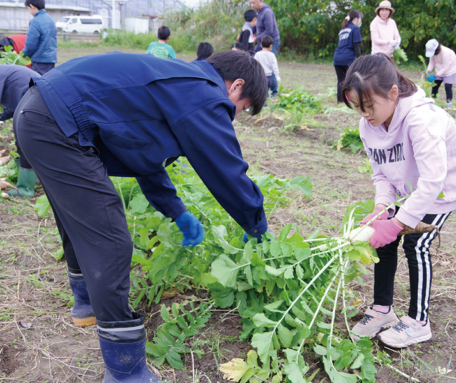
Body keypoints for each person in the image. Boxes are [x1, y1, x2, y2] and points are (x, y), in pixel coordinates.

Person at [13, 50, 268, 381]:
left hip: (37, 113)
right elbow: (225, 167)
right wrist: (256, 225)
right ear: (235, 86)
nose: (233, 114)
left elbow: (143, 155)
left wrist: (176, 211)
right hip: (54, 121)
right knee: (111, 239)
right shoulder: (203, 90)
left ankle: (86, 303)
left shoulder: (176, 83)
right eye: (242, 108)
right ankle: (126, 370)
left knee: (76, 217)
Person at [341, 54, 456, 348]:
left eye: (369, 106)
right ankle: (383, 311)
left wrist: (400, 222)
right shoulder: (369, 126)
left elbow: (432, 181)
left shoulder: (422, 119)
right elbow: (381, 174)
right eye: (359, 108)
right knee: (384, 239)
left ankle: (418, 321)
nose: (365, 114)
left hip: (441, 189)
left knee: (416, 244)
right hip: (409, 189)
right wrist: (382, 208)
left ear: (393, 93)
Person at [0, 65, 41, 198]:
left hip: (35, 100)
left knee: (25, 141)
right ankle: (33, 178)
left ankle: (25, 189)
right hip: (32, 97)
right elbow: (11, 106)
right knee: (25, 141)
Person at [333, 10, 362, 104]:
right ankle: (353, 99)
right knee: (353, 79)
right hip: (347, 58)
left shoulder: (343, 29)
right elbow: (356, 46)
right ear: (356, 19)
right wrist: (360, 59)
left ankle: (340, 101)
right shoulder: (355, 29)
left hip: (337, 57)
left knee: (341, 80)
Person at [22, 0, 57, 75]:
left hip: (39, 61)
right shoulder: (50, 19)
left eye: (28, 8)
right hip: (51, 60)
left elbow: (31, 45)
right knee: (49, 83)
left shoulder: (35, 21)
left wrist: (23, 55)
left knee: (36, 85)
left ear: (31, 6)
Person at [425, 39, 456, 108]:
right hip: (439, 69)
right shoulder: (433, 52)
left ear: (437, 49)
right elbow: (432, 62)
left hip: (451, 70)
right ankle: (433, 103)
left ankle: (449, 105)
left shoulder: (446, 52)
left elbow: (446, 67)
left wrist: (435, 75)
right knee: (435, 86)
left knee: (448, 87)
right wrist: (428, 71)